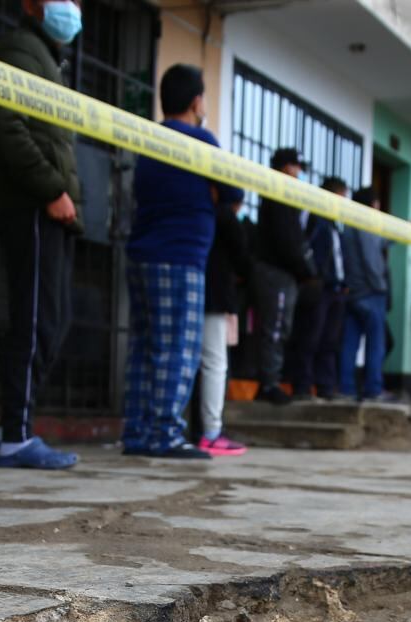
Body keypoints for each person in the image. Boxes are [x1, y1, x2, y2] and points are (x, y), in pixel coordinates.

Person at [0, 0, 85, 469]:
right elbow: (8, 126)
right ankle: (16, 437)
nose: (73, 8)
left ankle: (12, 427)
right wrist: (50, 189)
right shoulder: (21, 50)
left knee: (52, 320)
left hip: (48, 208)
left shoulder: (43, 54)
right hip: (32, 206)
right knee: (37, 320)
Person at [121, 64, 239, 460]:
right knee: (178, 350)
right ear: (196, 101)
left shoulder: (148, 139)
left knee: (144, 346)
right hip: (180, 255)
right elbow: (233, 191)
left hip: (141, 253)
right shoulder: (200, 140)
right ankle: (166, 434)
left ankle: (137, 431)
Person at [252, 148, 316, 406]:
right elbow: (286, 241)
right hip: (276, 272)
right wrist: (305, 270)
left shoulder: (284, 195)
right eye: (296, 167)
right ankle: (269, 383)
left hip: (283, 273)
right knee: (275, 328)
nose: (299, 173)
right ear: (287, 167)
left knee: (279, 327)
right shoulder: (277, 193)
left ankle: (271, 380)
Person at [287, 178, 350, 401]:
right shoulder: (314, 218)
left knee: (330, 340)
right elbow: (304, 247)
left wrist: (344, 284)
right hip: (319, 288)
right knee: (310, 336)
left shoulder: (335, 225)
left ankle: (325, 386)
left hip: (337, 289)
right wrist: (313, 276)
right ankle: (303, 385)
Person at [197, 201, 251, 455]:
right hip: (215, 295)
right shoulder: (225, 217)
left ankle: (202, 430)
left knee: (193, 361)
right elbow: (243, 257)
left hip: (198, 288)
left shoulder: (199, 210)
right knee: (215, 363)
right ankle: (210, 432)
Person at [339, 186, 392, 402]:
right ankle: (373, 388)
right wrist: (380, 285)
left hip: (352, 292)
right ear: (372, 204)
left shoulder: (349, 226)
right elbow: (371, 259)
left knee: (349, 343)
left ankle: (346, 388)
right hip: (370, 293)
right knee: (375, 344)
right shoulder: (366, 223)